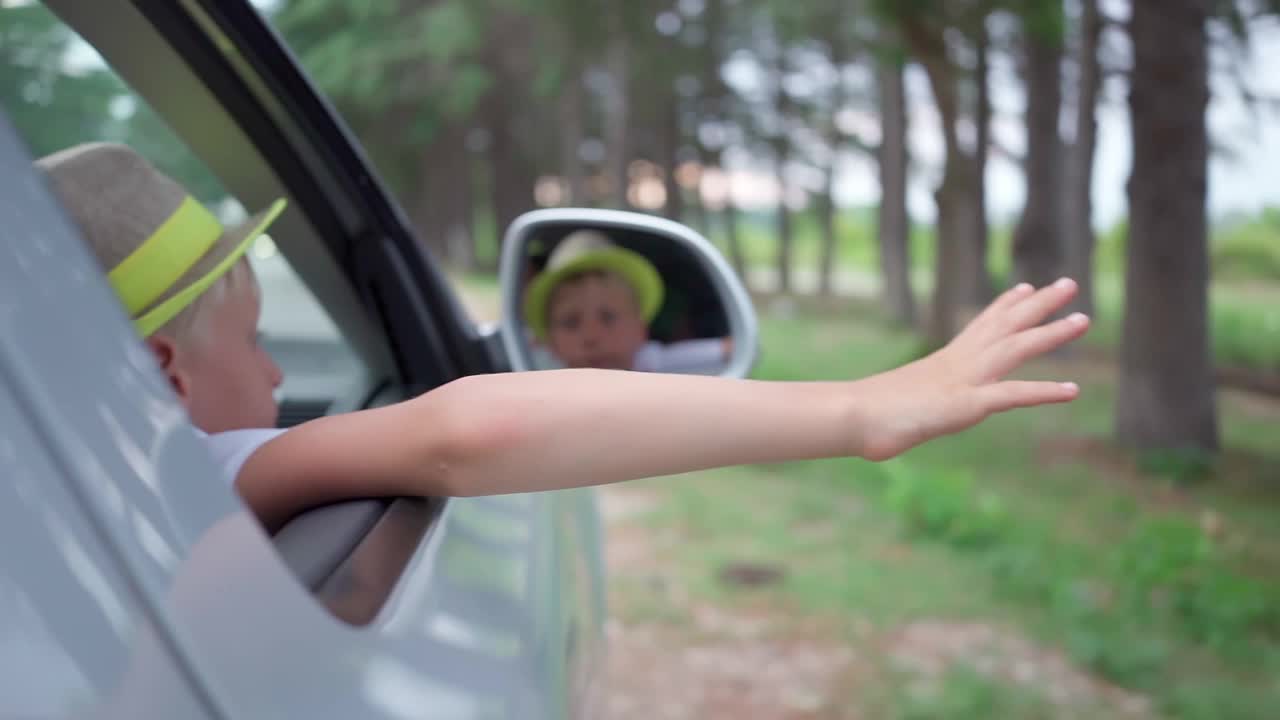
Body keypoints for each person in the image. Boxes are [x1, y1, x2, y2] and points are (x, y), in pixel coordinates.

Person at [38, 142, 1091, 533]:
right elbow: (459, 432)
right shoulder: (202, 476)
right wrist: (857, 407)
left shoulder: (49, 507)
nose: (275, 374)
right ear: (162, 378)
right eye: (256, 343)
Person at [524, 229, 732, 373]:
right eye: (571, 323)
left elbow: (725, 351)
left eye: (608, 317)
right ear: (550, 341)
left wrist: (730, 348)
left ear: (641, 330)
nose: (591, 336)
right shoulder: (540, 372)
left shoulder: (650, 363)